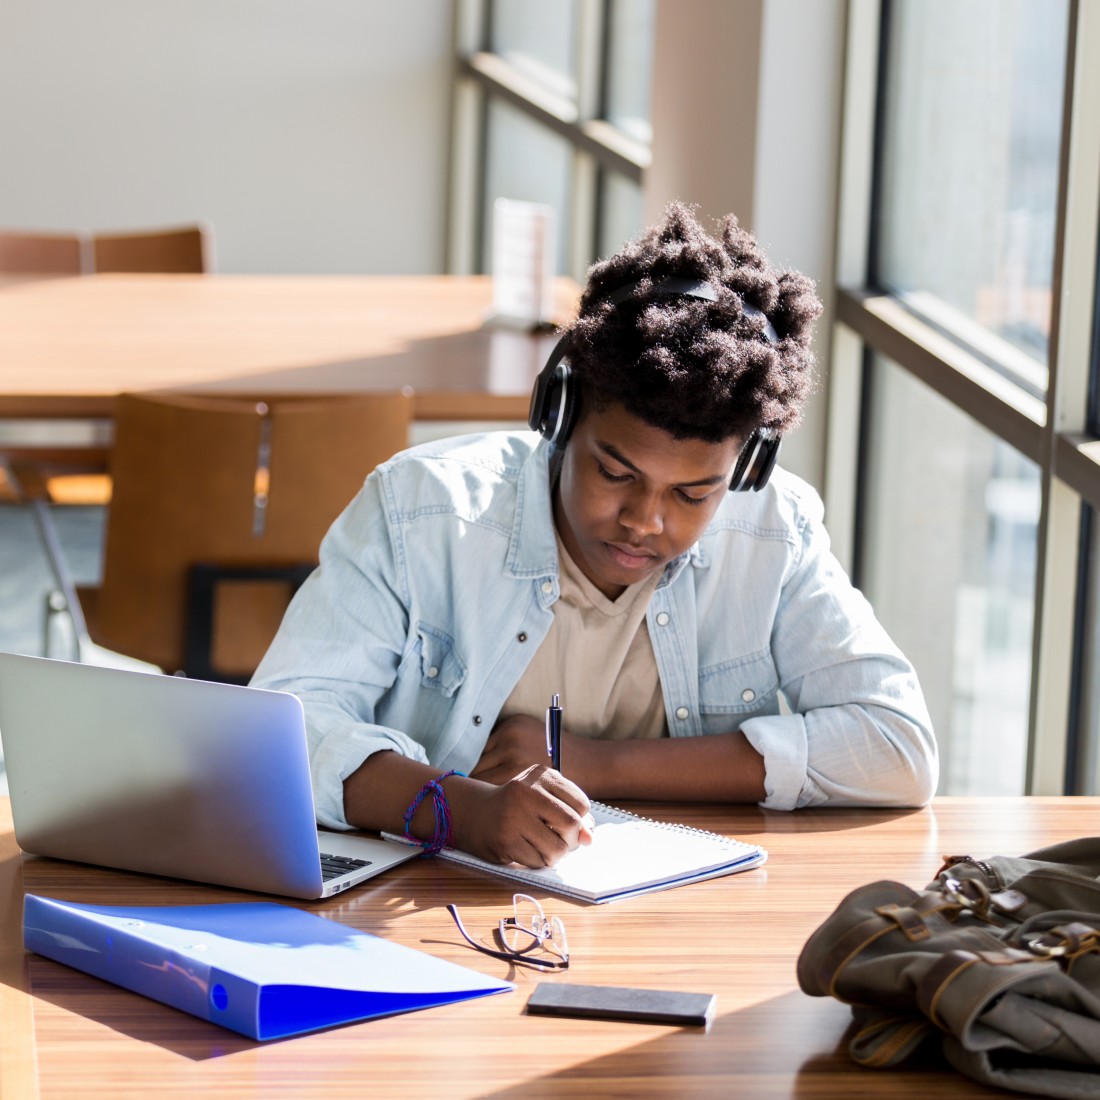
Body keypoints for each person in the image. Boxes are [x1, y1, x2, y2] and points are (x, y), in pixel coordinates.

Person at [251, 202, 937, 870]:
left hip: (670, 916)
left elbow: (896, 746)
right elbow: (283, 734)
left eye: (694, 494)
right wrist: (461, 812)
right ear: (560, 415)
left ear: (745, 469)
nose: (644, 520)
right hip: (438, 909)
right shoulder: (420, 510)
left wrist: (595, 763)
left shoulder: (772, 533)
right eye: (615, 472)